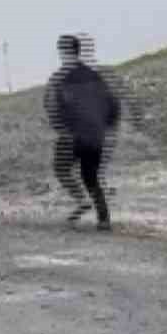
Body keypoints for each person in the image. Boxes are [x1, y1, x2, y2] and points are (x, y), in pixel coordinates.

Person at [44, 33, 120, 231]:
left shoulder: (60, 78)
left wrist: (62, 128)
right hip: (95, 136)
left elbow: (52, 106)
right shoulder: (95, 76)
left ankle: (81, 201)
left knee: (61, 169)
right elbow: (112, 104)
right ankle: (104, 219)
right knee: (90, 176)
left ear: (64, 53)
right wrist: (106, 125)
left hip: (74, 135)